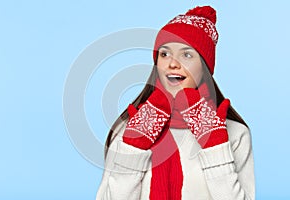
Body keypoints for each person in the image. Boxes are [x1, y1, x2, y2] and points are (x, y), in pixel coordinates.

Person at [96, 5, 255, 200]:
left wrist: (215, 146)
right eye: (164, 54)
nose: (172, 63)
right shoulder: (130, 128)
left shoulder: (235, 133)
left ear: (204, 66)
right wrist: (133, 150)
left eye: (187, 55)